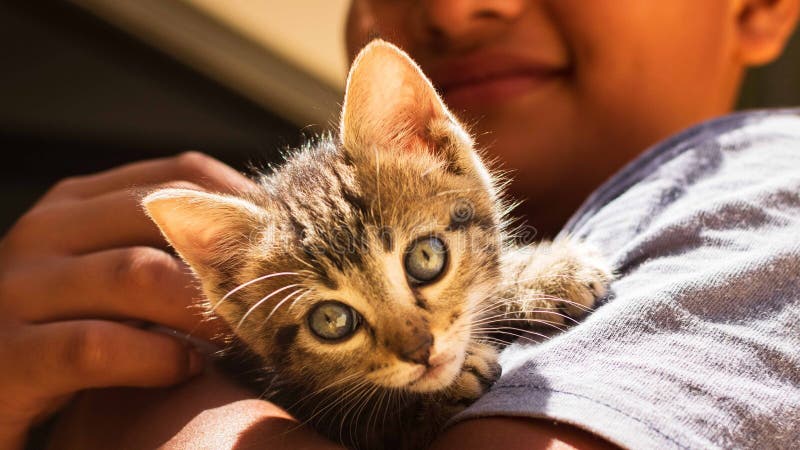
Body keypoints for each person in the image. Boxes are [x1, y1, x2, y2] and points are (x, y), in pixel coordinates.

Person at [1, 0, 798, 448]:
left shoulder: (771, 185)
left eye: (423, 261)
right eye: (337, 319)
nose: (416, 345)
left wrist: (128, 418)